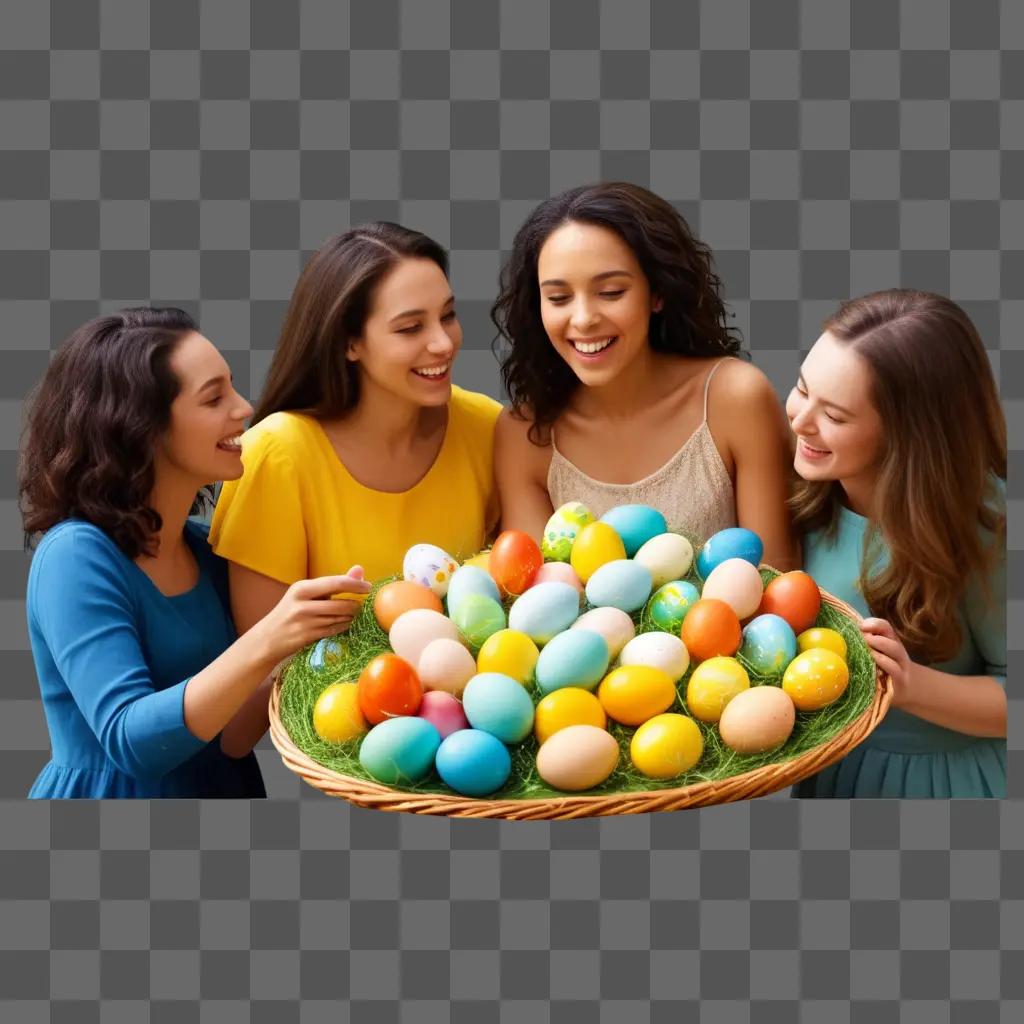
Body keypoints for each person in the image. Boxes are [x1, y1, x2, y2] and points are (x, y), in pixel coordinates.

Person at [19, 308, 369, 799]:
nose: (244, 408)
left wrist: (317, 644)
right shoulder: (75, 557)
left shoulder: (206, 549)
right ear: (141, 426)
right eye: (214, 398)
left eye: (232, 387)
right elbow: (131, 741)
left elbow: (232, 738)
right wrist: (270, 636)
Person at [208, 223, 502, 732]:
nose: (442, 342)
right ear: (350, 343)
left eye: (448, 316)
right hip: (343, 757)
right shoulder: (278, 456)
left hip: (483, 737)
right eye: (410, 328)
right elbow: (249, 709)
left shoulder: (487, 428)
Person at [491, 181, 798, 569]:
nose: (583, 319)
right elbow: (531, 601)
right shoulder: (525, 431)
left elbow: (779, 581)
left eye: (611, 292)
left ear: (657, 293)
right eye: (558, 298)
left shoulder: (733, 398)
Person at [788, 289, 1006, 798]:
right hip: (833, 772)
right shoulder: (803, 489)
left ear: (910, 436)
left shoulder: (984, 526)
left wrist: (911, 686)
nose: (799, 421)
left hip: (943, 785)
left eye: (835, 416)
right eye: (801, 389)